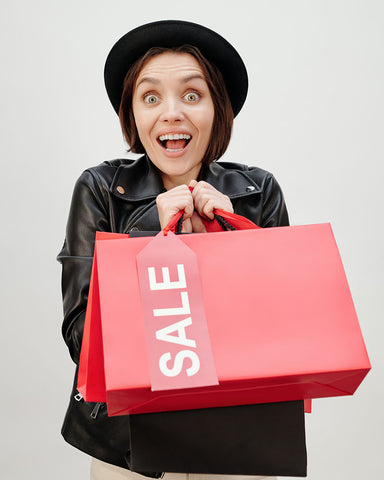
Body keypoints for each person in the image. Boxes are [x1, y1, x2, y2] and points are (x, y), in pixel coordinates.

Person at [58, 20, 307, 480]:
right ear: (134, 115)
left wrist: (234, 243)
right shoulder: (99, 189)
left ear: (218, 110)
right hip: (128, 449)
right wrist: (150, 229)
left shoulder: (258, 191)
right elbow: (81, 340)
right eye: (151, 97)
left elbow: (283, 341)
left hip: (238, 440)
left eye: (192, 95)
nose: (171, 112)